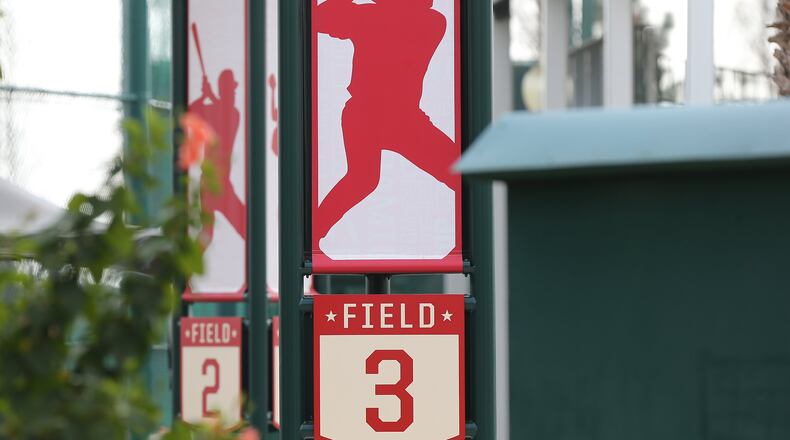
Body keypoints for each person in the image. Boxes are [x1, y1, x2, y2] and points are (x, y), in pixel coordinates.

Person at [315, 0, 459, 240]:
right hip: (374, 114)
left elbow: (325, 17)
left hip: (394, 116)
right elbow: (320, 19)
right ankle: (311, 236)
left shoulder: (426, 21)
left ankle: (310, 235)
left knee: (363, 180)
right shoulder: (378, 16)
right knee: (363, 180)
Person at [189, 69, 245, 245]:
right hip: (212, 184)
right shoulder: (216, 111)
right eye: (231, 89)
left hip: (219, 184)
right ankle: (186, 271)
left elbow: (218, 111)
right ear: (224, 90)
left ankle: (186, 271)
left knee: (244, 229)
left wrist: (208, 95)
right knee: (207, 234)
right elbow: (191, 110)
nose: (235, 93)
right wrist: (207, 95)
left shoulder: (233, 114)